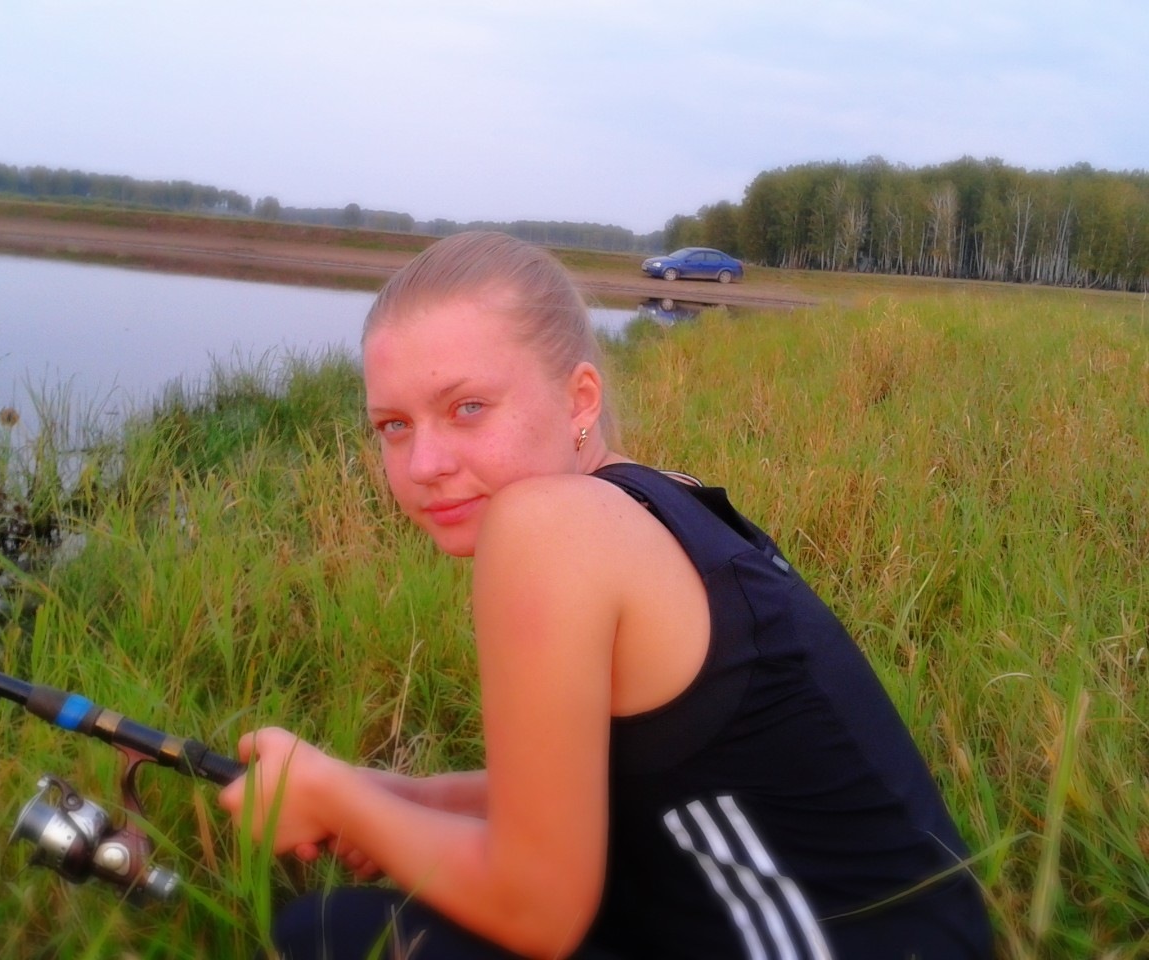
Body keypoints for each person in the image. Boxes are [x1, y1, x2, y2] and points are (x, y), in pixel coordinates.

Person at [218, 231, 994, 959]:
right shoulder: (657, 496)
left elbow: (539, 911)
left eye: (467, 408)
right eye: (393, 425)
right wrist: (385, 795)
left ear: (580, 399)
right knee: (350, 927)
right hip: (931, 933)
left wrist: (339, 801)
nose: (424, 464)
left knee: (335, 937)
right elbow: (601, 786)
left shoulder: (548, 526)